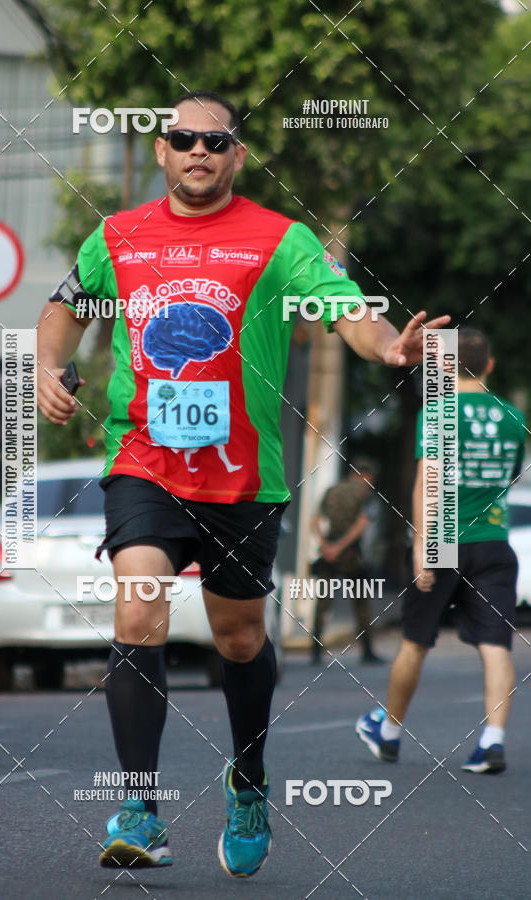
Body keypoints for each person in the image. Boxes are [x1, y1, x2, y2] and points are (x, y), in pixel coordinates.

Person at [37, 89, 449, 877]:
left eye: (216, 141)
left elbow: (345, 310)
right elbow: (65, 309)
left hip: (242, 478)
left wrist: (388, 347)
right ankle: (139, 808)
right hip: (143, 461)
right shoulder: (117, 236)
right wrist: (46, 365)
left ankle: (249, 779)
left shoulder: (281, 239)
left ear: (238, 155)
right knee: (139, 605)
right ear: (161, 150)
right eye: (184, 138)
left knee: (240, 639)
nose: (199, 150)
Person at [357, 328, 526, 774]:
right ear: (489, 366)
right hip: (493, 540)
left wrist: (422, 545)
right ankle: (492, 741)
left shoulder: (437, 412)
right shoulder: (513, 417)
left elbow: (427, 482)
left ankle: (389, 732)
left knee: (415, 641)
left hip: (445, 539)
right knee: (495, 645)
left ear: (446, 368)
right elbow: (509, 477)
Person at [310, 458, 384, 665]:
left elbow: (314, 520)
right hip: (351, 553)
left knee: (323, 601)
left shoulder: (332, 491)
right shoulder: (366, 494)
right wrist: (340, 547)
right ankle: (367, 651)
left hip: (328, 550)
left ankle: (315, 651)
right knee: (361, 602)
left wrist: (325, 545)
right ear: (366, 476)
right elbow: (361, 524)